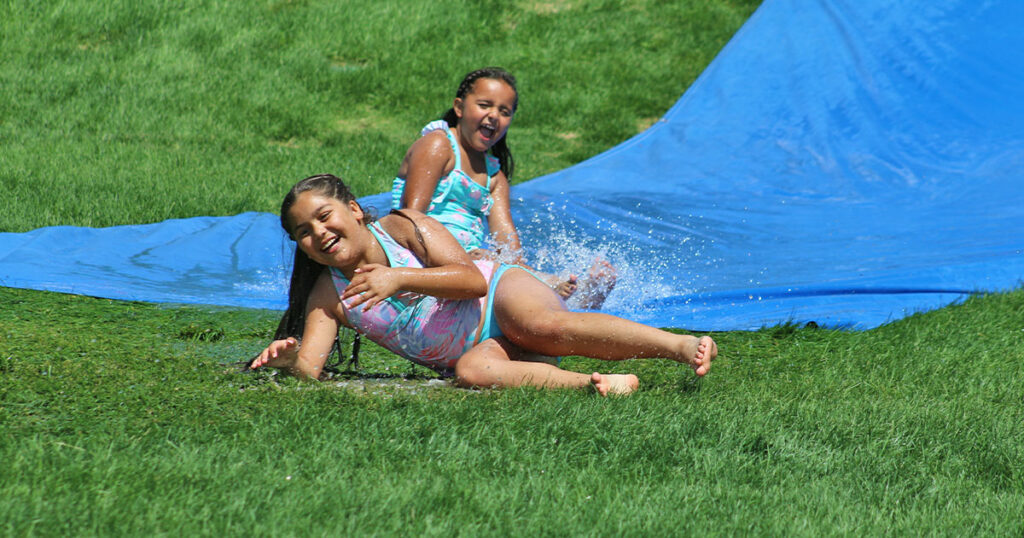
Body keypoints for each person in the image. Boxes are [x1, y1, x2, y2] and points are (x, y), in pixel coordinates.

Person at [250, 174, 717, 396]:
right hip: (482, 347)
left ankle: (678, 346)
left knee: (538, 324)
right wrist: (290, 359)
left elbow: (472, 280)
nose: (318, 233)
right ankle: (594, 386)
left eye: (323, 216)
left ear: (353, 209)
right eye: (303, 232)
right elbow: (309, 368)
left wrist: (398, 276)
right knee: (471, 373)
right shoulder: (329, 295)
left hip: (500, 294)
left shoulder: (403, 228)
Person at [392, 67, 616, 308]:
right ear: (459, 107)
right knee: (497, 271)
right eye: (484, 105)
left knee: (512, 267)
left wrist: (507, 262)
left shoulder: (495, 177)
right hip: (419, 254)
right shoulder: (438, 145)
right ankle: (562, 295)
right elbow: (409, 219)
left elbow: (509, 247)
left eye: (504, 111)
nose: (493, 116)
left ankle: (574, 296)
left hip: (467, 262)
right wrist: (458, 258)